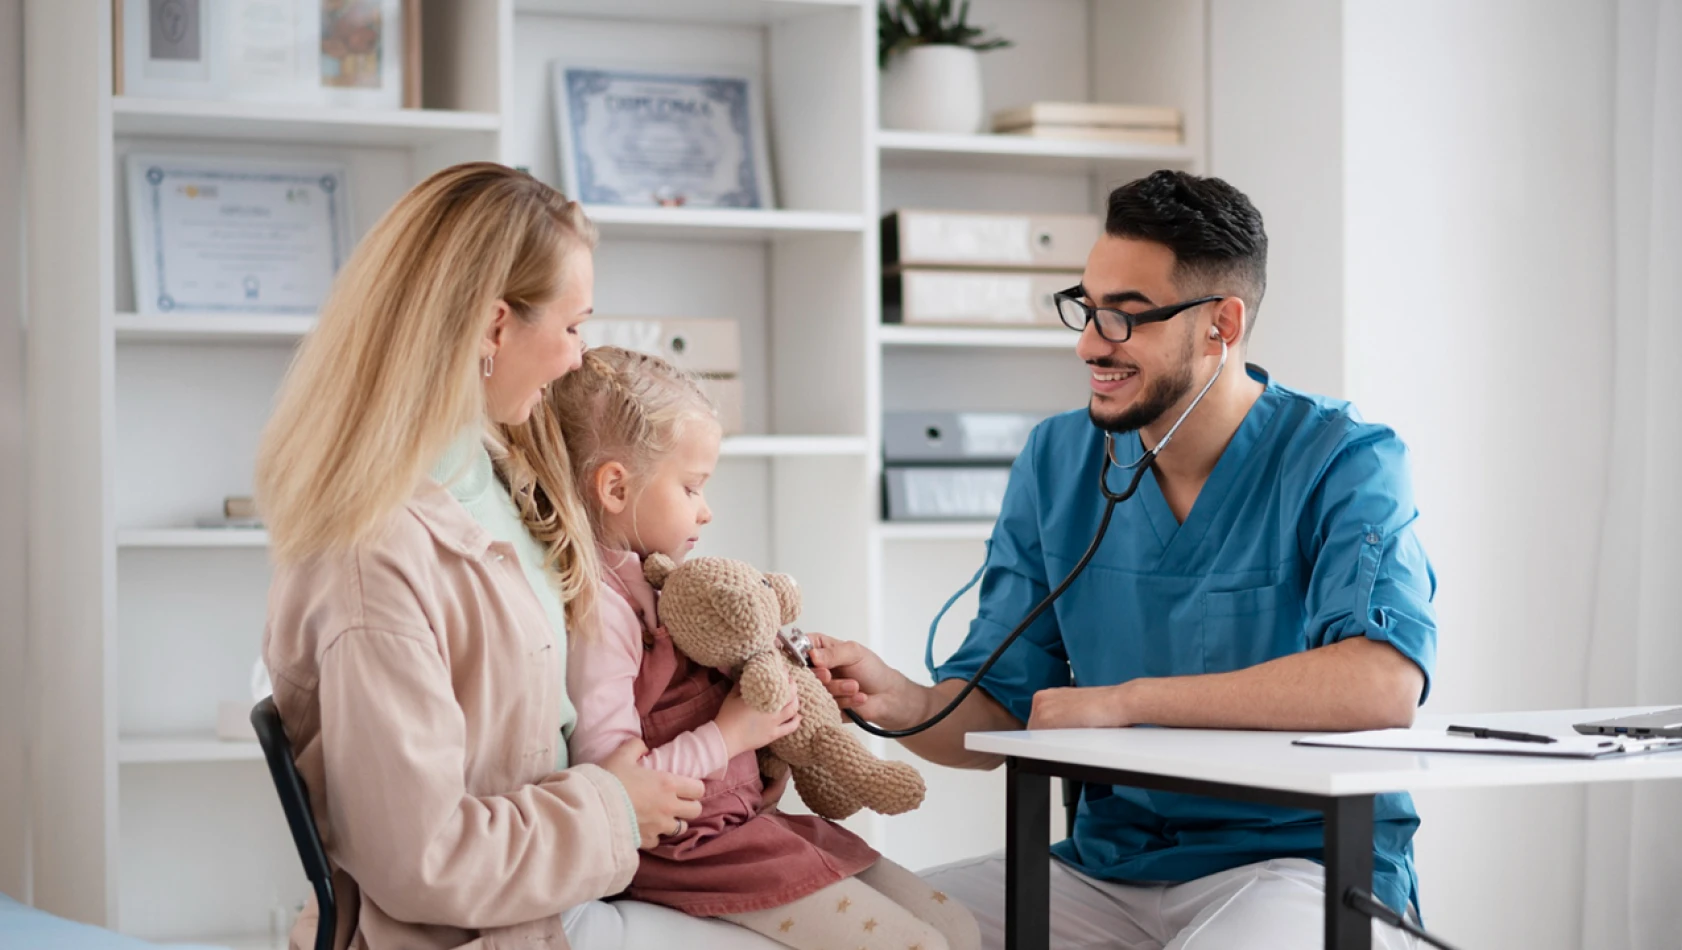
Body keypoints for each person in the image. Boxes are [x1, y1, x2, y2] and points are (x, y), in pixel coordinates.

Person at [808, 169, 1437, 950]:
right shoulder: (1057, 458)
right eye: (1087, 307)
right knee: (845, 930)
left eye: (1126, 318)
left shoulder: (1345, 460)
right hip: (1110, 868)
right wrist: (901, 701)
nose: (1089, 343)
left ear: (1221, 324)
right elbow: (1006, 705)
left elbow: (1382, 683)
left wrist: (1126, 699)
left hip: (1297, 864)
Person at [256, 162, 777, 950]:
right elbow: (421, 859)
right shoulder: (374, 558)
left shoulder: (506, 473)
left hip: (566, 886)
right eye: (571, 327)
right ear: (495, 328)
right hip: (495, 925)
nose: (578, 358)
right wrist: (613, 806)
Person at [527, 346, 979, 950]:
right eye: (692, 488)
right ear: (615, 487)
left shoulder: (654, 578)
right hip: (691, 850)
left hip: (739, 826)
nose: (706, 511)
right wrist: (732, 736)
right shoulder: (601, 610)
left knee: (959, 927)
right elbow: (615, 784)